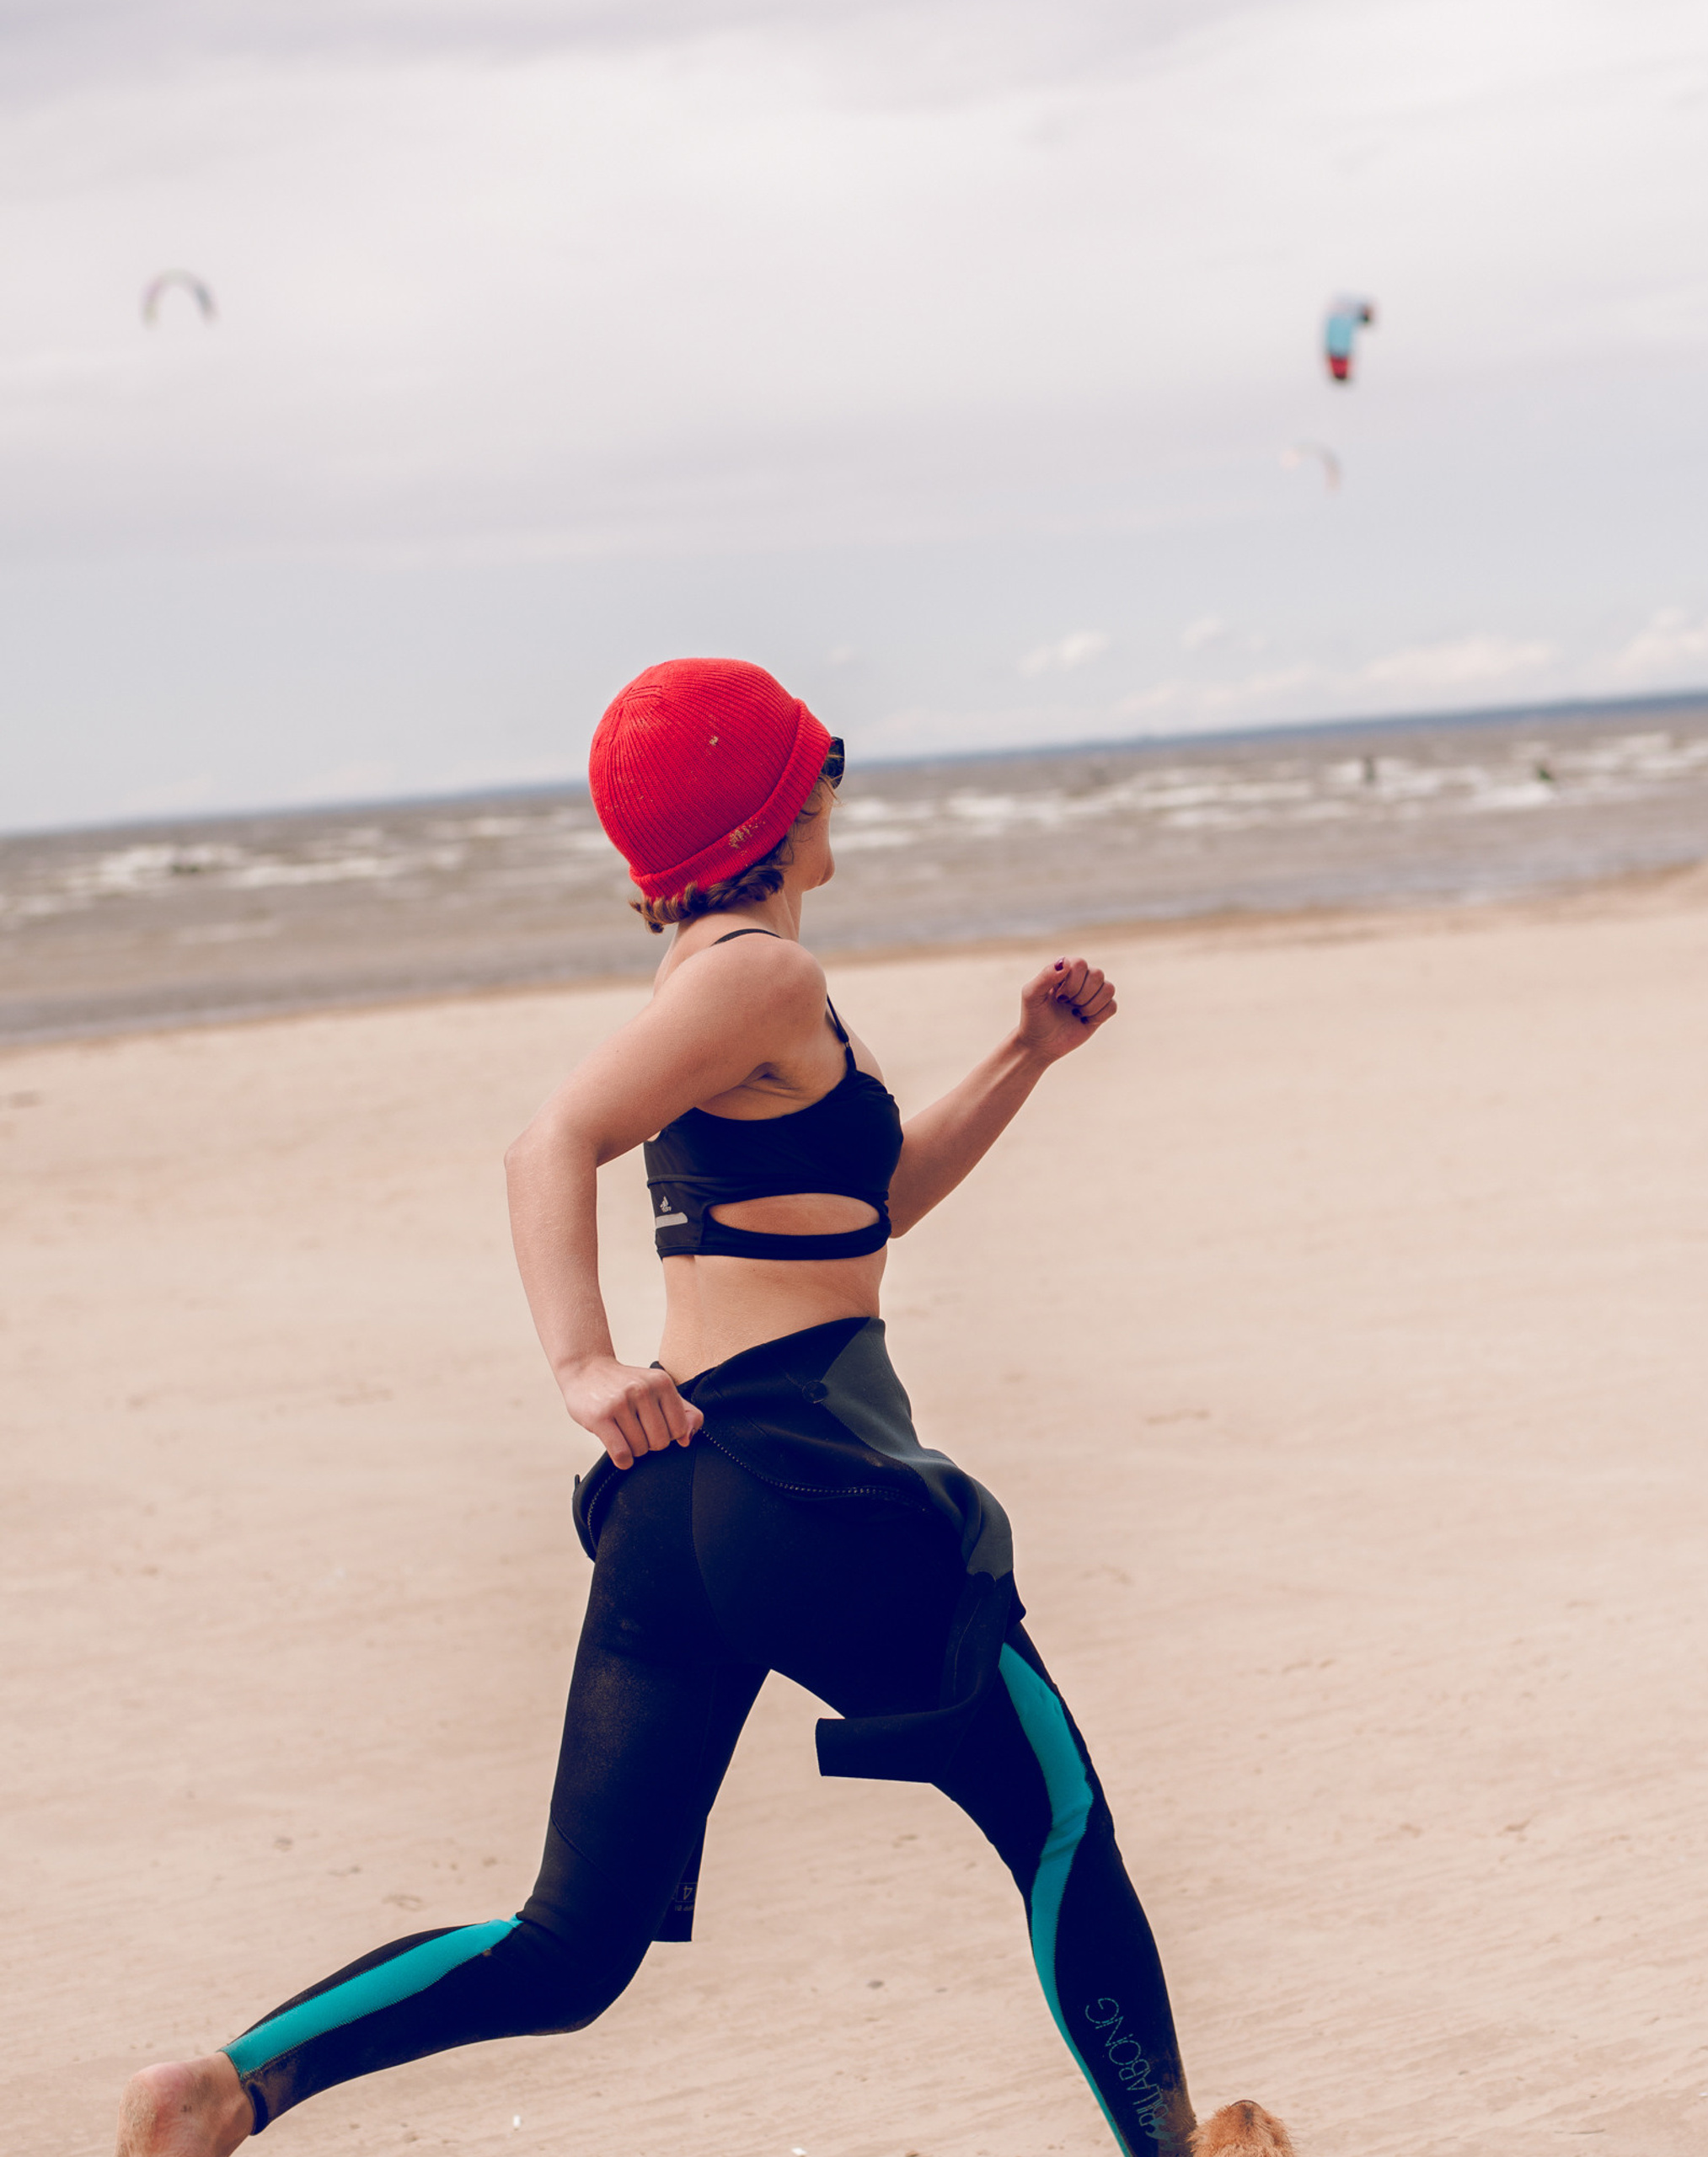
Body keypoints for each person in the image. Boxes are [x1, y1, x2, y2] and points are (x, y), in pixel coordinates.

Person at [116, 660, 1296, 2157]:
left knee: (570, 1946)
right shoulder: (765, 977)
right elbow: (549, 1140)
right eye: (822, 759)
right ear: (778, 801)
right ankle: (1173, 2147)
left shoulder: (717, 989)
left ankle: (222, 2088)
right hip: (803, 1476)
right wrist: (580, 1364)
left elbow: (864, 1220)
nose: (836, 782)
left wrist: (1022, 1058)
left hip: (681, 1509)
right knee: (1058, 1826)